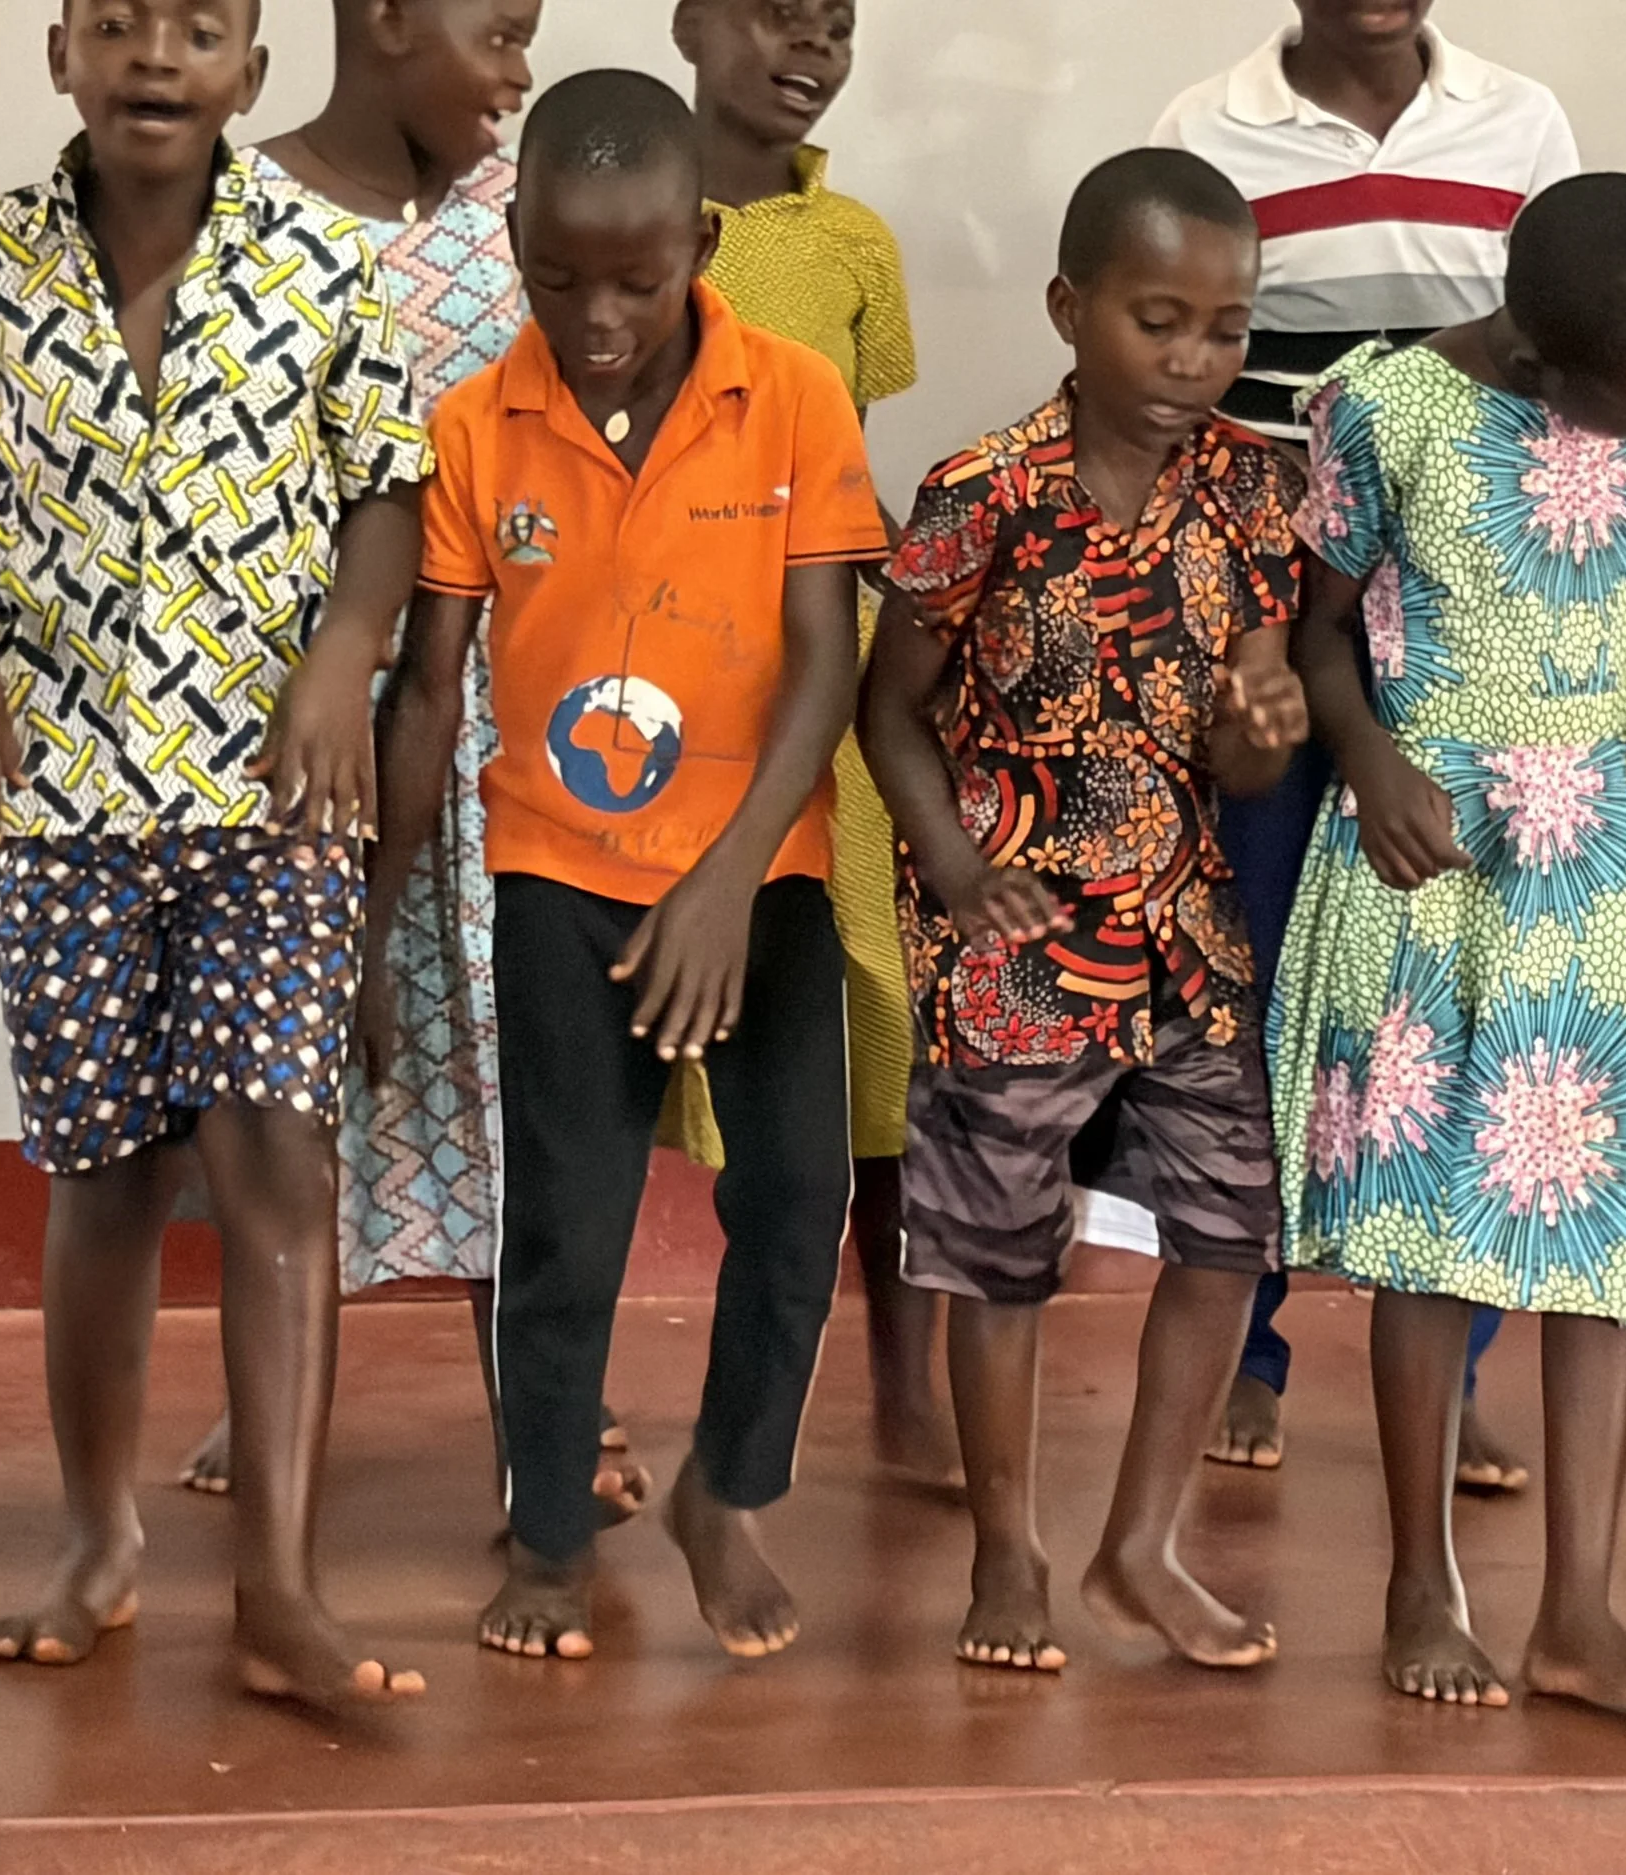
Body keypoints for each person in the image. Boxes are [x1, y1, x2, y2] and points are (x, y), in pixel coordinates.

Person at [0, 0, 430, 1708]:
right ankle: (98, 1540)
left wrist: (346, 655)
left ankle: (280, 1586)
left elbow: (387, 495)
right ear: (62, 55)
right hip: (68, 800)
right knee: (101, 1173)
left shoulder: (325, 267)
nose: (155, 56)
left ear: (250, 69)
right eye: (117, 23)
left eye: (198, 28)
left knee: (279, 1156)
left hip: (275, 796)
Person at [372, 69, 884, 1662]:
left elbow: (824, 657)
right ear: (513, 240)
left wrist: (727, 881)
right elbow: (428, 687)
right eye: (557, 278)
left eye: (637, 282)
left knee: (797, 1194)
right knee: (566, 1221)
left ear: (700, 246)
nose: (597, 319)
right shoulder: (477, 427)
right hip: (560, 873)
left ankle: (726, 1492)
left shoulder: (794, 397)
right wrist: (374, 927)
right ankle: (546, 1538)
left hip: (762, 875)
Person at [1273, 172, 1626, 1715]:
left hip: (1603, 857)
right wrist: (1370, 763)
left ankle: (1580, 1611)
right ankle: (1420, 1585)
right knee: (1430, 1236)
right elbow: (1320, 631)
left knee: (1609, 1228)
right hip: (1436, 848)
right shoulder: (1385, 412)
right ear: (1548, 365)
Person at [165, 0, 657, 1520]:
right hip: (302, 720)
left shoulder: (535, 227)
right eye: (497, 31)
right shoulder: (235, 215)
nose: (519, 70)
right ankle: (271, 1395)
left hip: (506, 724)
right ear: (386, 18)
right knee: (289, 1070)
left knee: (524, 1071)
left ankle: (540, 1410)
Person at [862, 149, 1303, 1674]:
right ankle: (1009, 1554)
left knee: (1231, 1229)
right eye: (1158, 321)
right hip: (1023, 938)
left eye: (1227, 329)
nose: (1194, 360)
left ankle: (1142, 1546)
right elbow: (890, 707)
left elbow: (1250, 748)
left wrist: (1262, 726)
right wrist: (953, 867)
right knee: (1003, 1255)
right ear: (1071, 307)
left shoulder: (1254, 491)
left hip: (1185, 929)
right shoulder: (982, 492)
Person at [1155, 0, 1576, 1487]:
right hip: (1268, 634)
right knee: (1258, 983)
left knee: (1465, 999)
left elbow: (1552, 374)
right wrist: (1236, 631)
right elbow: (1188, 391)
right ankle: (1245, 1346)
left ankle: (1452, 1367)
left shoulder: (1522, 126)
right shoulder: (1209, 130)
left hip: (1463, 647)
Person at [673, 0, 952, 1485]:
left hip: (823, 688)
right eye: (775, 14)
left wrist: (925, 618)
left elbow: (852, 468)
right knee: (605, 1033)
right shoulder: (622, 210)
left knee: (879, 1019)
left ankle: (907, 1389)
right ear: (688, 22)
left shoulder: (852, 245)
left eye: (835, 27)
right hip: (652, 691)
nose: (809, 50)